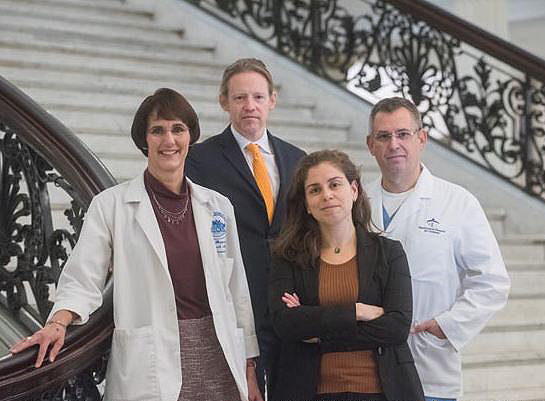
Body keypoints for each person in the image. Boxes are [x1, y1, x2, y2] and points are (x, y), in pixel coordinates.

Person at [10, 88, 262, 401]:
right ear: (144, 140)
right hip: (153, 359)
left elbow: (237, 290)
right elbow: (83, 276)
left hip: (220, 353)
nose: (169, 141)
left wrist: (249, 365)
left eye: (178, 129)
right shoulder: (111, 206)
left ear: (190, 137)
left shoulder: (218, 206)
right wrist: (59, 322)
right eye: (158, 131)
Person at [365, 97, 511, 401]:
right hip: (364, 370)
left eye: (403, 134)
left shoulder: (458, 203)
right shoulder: (356, 202)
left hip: (428, 368)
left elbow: (492, 281)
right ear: (370, 144)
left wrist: (448, 326)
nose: (393, 144)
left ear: (422, 139)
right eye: (384, 136)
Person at [185, 58, 305, 395]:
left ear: (272, 100)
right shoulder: (199, 160)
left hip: (289, 303)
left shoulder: (298, 160)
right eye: (239, 98)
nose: (249, 106)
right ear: (224, 102)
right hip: (233, 302)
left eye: (257, 97)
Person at [268, 149, 425, 401]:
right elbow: (286, 324)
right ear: (307, 204)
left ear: (354, 190)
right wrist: (356, 312)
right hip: (309, 391)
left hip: (382, 392)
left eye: (334, 184)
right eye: (315, 190)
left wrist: (317, 332)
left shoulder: (389, 253)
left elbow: (396, 327)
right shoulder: (287, 258)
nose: (327, 195)